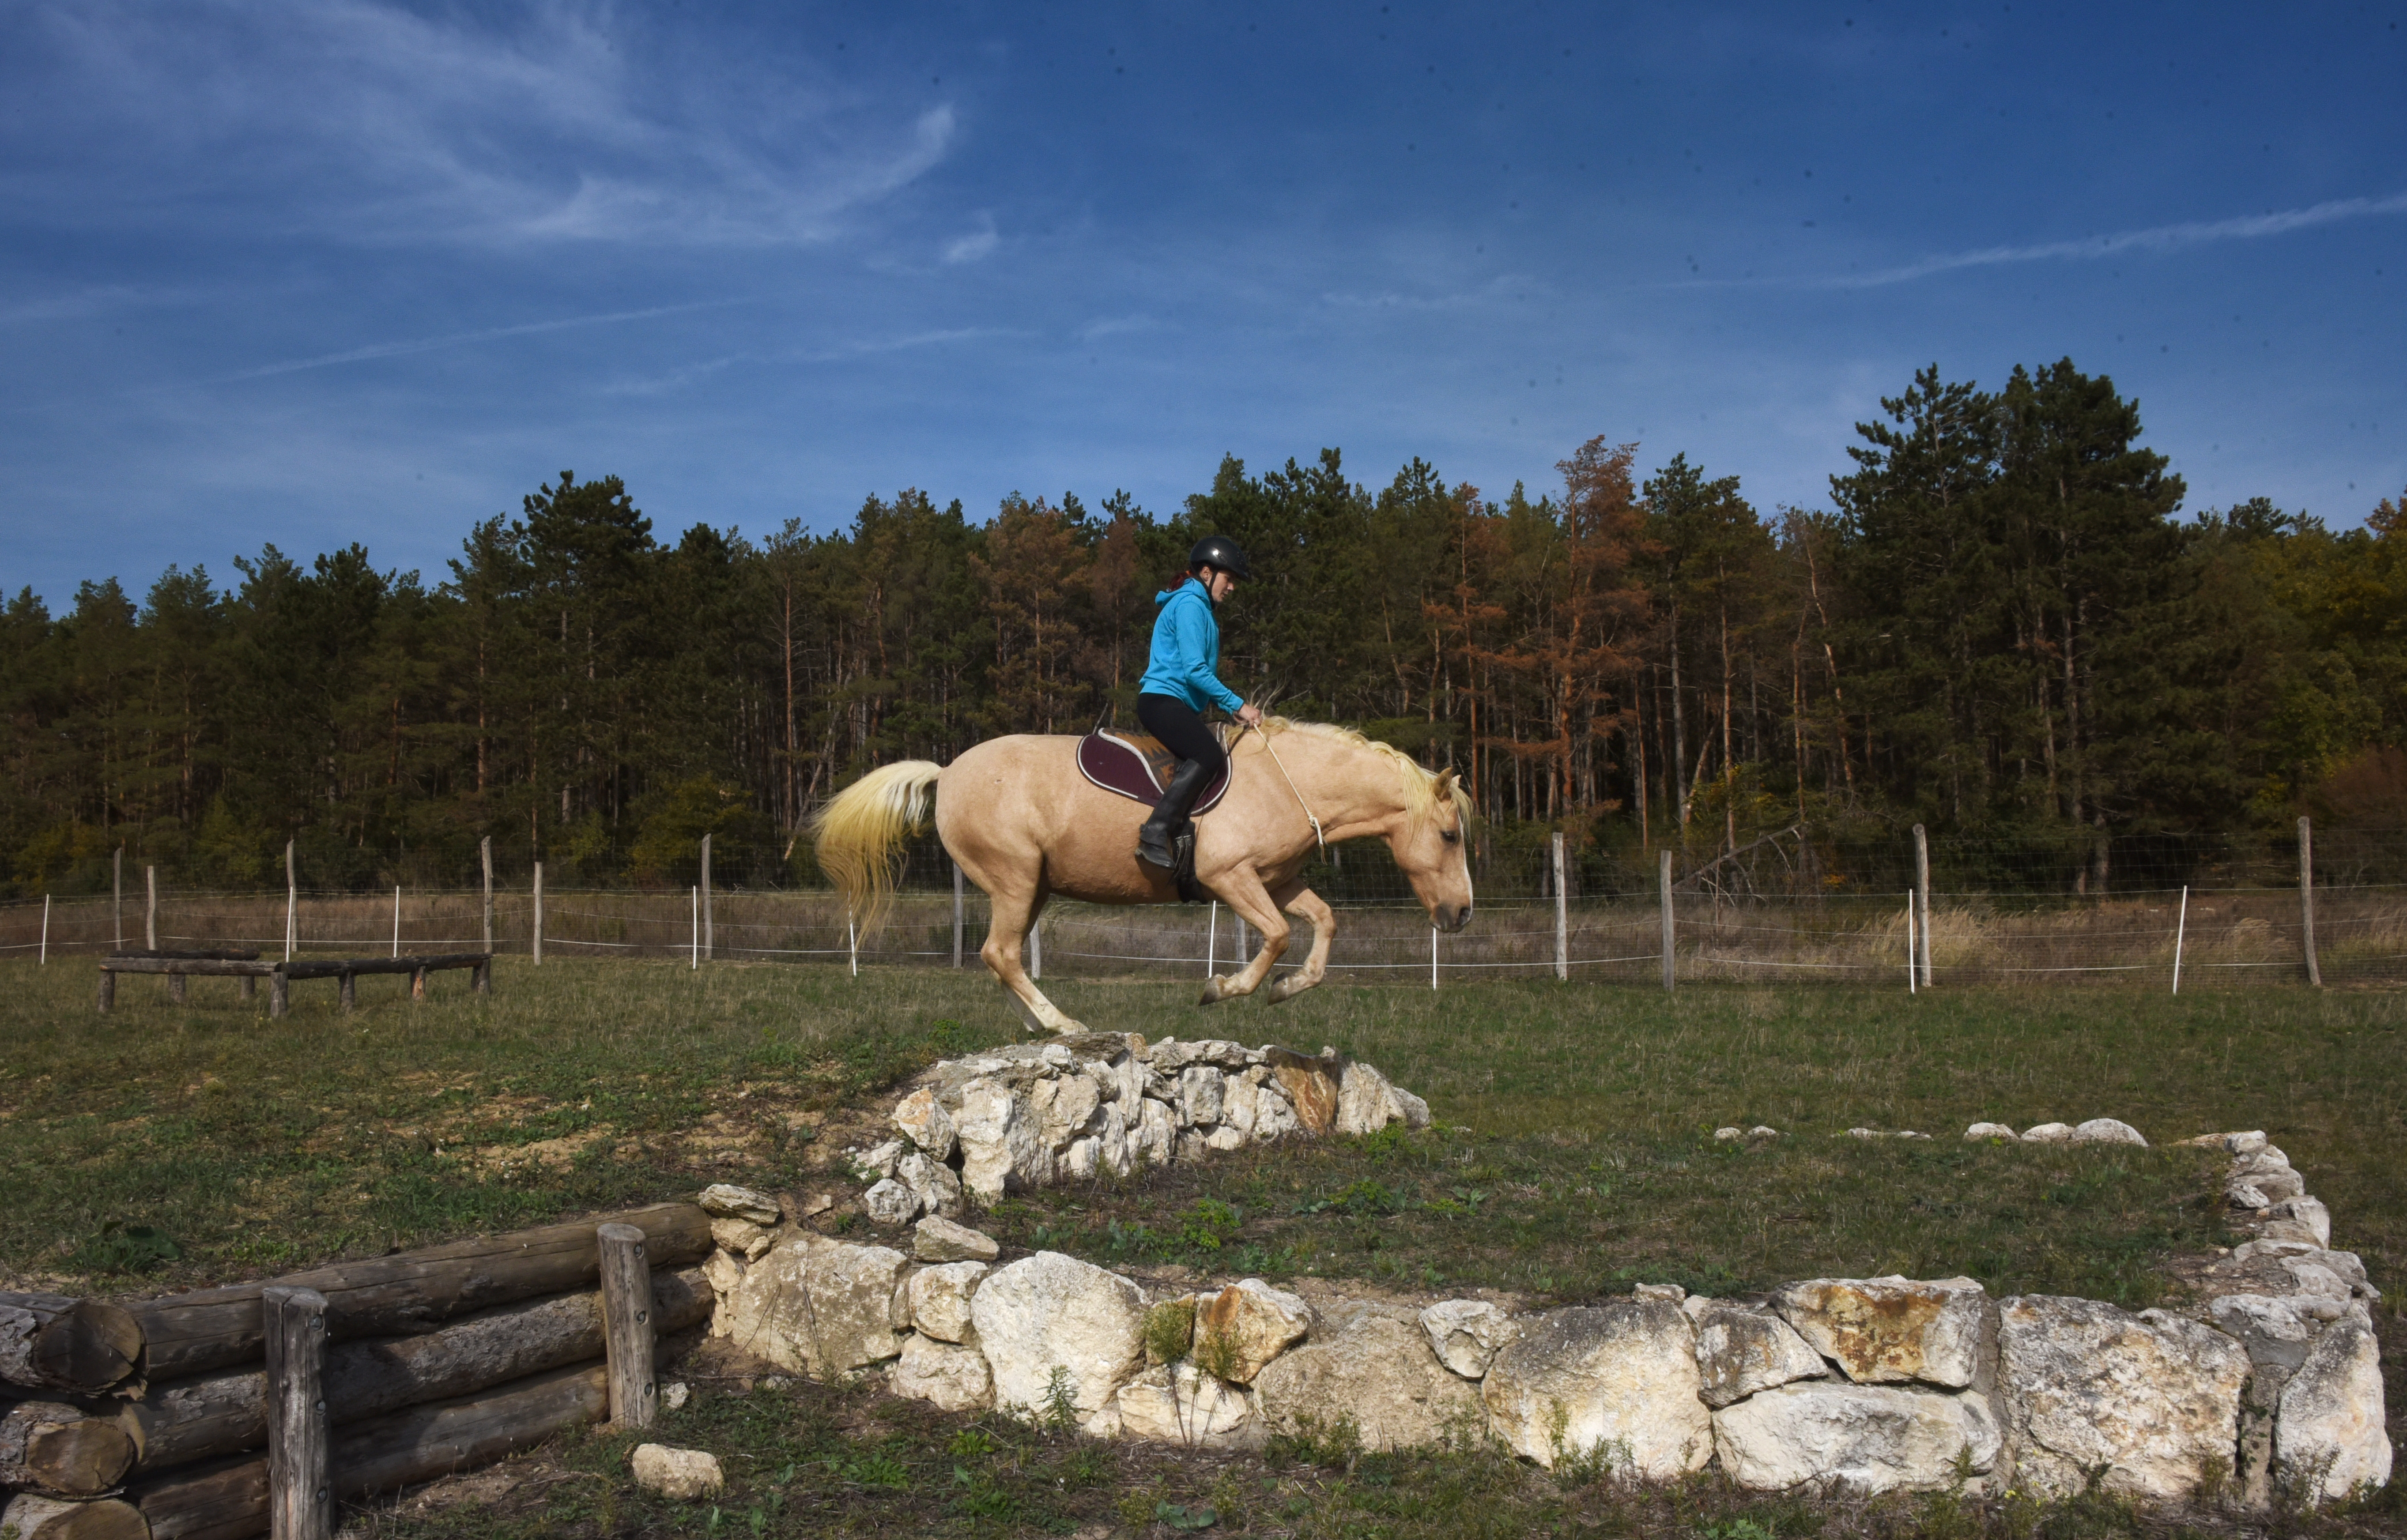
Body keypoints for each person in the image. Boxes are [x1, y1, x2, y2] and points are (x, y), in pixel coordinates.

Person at [1134, 535, 1264, 870]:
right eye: (1229, 578)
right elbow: (1195, 671)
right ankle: (1155, 831)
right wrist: (1238, 705)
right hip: (1162, 701)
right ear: (1207, 573)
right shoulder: (1191, 605)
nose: (1231, 587)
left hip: (1174, 704)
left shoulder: (1200, 607)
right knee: (1209, 754)